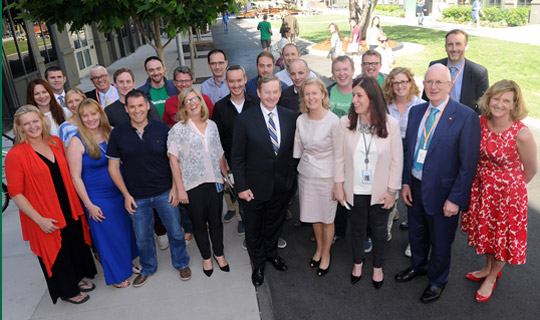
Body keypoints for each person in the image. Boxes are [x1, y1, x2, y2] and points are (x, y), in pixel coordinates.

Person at [395, 64, 481, 303]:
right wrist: (405, 183)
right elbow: (408, 151)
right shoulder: (416, 111)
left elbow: (468, 165)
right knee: (417, 232)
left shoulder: (465, 117)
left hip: (445, 193)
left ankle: (437, 280)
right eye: (428, 82)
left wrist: (455, 199)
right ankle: (418, 266)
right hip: (416, 185)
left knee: (441, 241)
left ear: (449, 85)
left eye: (439, 82)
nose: (433, 87)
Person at [5, 105, 97, 304]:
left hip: (68, 207)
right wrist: (39, 220)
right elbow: (16, 193)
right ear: (19, 128)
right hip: (44, 213)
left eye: (35, 121)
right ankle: (68, 291)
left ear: (42, 120)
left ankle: (77, 279)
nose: (32, 126)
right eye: (26, 124)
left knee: (72, 245)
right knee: (58, 252)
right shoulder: (16, 155)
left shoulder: (55, 142)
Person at [461, 80, 537, 302]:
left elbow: (531, 170)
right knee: (487, 232)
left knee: (501, 238)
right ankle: (487, 267)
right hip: (483, 189)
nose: (500, 104)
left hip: (508, 195)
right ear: (489, 98)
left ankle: (492, 276)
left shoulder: (521, 133)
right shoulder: (480, 122)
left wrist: (509, 189)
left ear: (514, 104)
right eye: (496, 98)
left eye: (506, 100)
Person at [107, 90, 192, 287]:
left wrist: (174, 188)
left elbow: (174, 161)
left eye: (140, 105)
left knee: (175, 232)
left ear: (147, 106)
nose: (137, 110)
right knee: (143, 238)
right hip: (137, 196)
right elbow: (113, 168)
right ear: (126, 109)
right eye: (132, 107)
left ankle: (181, 263)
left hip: (164, 192)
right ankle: (148, 267)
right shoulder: (118, 134)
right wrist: (126, 195)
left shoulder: (162, 129)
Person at [334, 76, 403, 289]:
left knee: (380, 231)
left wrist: (392, 191)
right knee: (357, 229)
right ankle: (357, 264)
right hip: (353, 190)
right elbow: (338, 157)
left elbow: (396, 161)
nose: (353, 100)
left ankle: (378, 267)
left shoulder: (391, 124)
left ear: (372, 98)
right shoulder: (345, 123)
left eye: (358, 95)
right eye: (353, 95)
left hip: (381, 191)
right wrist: (338, 186)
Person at [231, 75, 297, 287]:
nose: (271, 96)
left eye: (275, 92)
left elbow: (291, 154)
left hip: (281, 186)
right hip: (253, 188)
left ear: (280, 93)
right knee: (253, 227)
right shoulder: (244, 119)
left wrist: (290, 182)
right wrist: (241, 187)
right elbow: (237, 158)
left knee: (274, 224)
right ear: (258, 93)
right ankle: (258, 263)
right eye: (266, 92)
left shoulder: (290, 116)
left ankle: (271, 254)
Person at [67, 98, 139, 288]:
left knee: (124, 231)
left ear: (100, 113)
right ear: (80, 119)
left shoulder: (111, 132)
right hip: (99, 197)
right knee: (108, 237)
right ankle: (116, 276)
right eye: (85, 116)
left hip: (120, 192)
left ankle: (127, 264)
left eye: (93, 113)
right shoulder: (76, 141)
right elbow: (76, 178)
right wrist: (89, 205)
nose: (90, 119)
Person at [168, 88, 230, 277]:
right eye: (187, 101)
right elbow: (173, 160)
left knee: (216, 221)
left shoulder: (211, 125)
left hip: (214, 181)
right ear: (183, 107)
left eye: (195, 99)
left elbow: (219, 153)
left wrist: (225, 177)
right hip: (192, 185)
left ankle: (219, 253)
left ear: (201, 102)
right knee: (199, 224)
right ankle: (206, 257)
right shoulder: (178, 129)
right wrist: (180, 189)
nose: (193, 103)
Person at [294, 77, 339, 277]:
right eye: (307, 93)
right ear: (303, 97)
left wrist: (338, 184)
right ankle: (319, 249)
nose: (311, 97)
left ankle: (327, 253)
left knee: (327, 218)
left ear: (322, 94)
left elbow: (340, 156)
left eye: (315, 93)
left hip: (328, 177)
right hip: (306, 176)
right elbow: (299, 150)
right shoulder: (300, 120)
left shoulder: (334, 121)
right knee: (314, 216)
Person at [213, 65, 259, 239]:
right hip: (236, 165)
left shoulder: (257, 102)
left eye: (239, 80)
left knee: (261, 201)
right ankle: (249, 234)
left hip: (258, 164)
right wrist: (225, 167)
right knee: (243, 201)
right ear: (226, 82)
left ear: (245, 80)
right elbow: (219, 141)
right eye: (231, 81)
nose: (236, 84)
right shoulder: (219, 107)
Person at [382, 67, 425, 248]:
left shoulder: (421, 106)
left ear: (410, 83)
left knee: (413, 199)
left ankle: (413, 242)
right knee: (389, 194)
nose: (400, 86)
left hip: (413, 154)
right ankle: (385, 231)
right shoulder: (385, 105)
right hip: (389, 154)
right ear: (391, 85)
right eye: (396, 82)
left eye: (404, 82)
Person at [424, 29, 489, 113]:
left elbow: (483, 105)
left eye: (458, 44)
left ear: (466, 46)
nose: (454, 49)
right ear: (445, 47)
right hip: (437, 116)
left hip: (464, 119)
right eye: (450, 44)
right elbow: (426, 98)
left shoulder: (478, 72)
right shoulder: (435, 66)